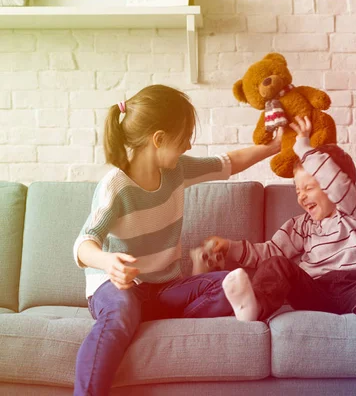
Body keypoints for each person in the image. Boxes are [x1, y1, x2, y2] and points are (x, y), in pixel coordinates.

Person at [72, 84, 281, 396]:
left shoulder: (177, 171)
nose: (187, 146)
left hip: (162, 289)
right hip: (117, 287)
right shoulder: (115, 186)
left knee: (229, 282)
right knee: (122, 310)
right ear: (159, 140)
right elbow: (83, 244)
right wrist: (108, 262)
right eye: (183, 138)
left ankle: (162, 308)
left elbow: (228, 162)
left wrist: (274, 147)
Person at [203, 116, 356, 329]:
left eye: (308, 188)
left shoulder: (352, 210)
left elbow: (337, 183)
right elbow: (268, 252)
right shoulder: (301, 225)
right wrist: (230, 248)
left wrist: (304, 148)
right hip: (315, 291)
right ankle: (255, 307)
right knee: (276, 263)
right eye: (298, 190)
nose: (301, 197)